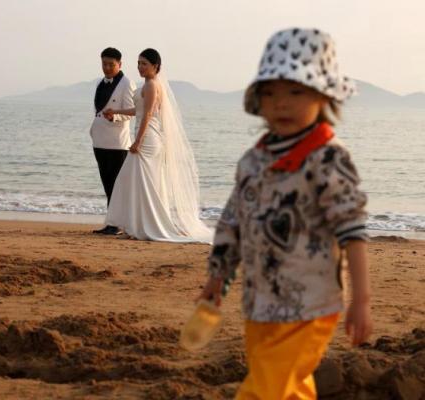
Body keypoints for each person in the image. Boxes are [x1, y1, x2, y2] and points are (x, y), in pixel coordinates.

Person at [197, 28, 372, 399]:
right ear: (257, 100)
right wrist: (217, 278)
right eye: (271, 92)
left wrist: (361, 300)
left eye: (296, 91)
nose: (282, 103)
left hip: (311, 303)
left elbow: (352, 230)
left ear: (323, 96)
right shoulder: (253, 161)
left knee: (265, 391)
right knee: (287, 388)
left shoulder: (328, 158)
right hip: (259, 302)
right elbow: (233, 224)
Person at [103, 49, 212, 243]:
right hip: (146, 137)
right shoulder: (146, 85)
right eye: (138, 63)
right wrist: (116, 111)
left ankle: (146, 226)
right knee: (136, 181)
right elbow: (138, 110)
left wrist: (137, 141)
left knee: (140, 182)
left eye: (144, 63)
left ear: (156, 66)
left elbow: (148, 115)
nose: (140, 67)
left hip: (149, 140)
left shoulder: (153, 85)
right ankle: (137, 225)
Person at [90, 47, 136, 235]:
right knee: (107, 183)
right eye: (104, 64)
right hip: (99, 141)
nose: (107, 68)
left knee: (117, 186)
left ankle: (117, 224)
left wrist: (115, 117)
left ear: (120, 64)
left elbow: (131, 111)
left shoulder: (126, 83)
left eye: (111, 64)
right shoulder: (101, 83)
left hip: (117, 143)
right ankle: (111, 222)